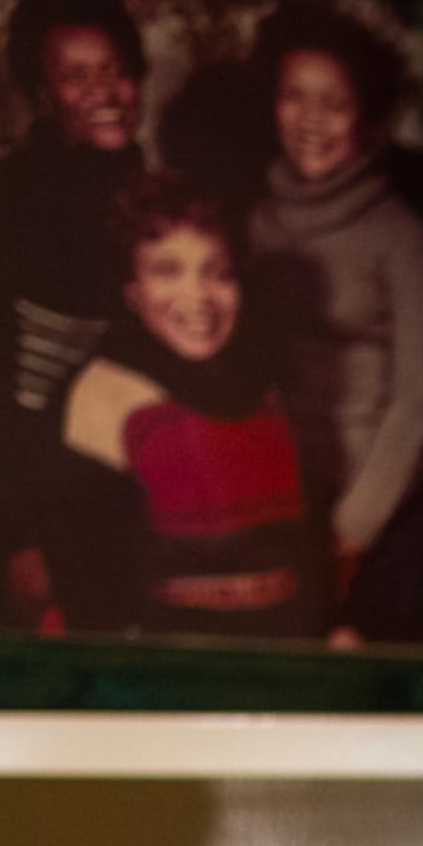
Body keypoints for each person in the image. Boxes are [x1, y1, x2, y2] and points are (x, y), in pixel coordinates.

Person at [243, 0, 423, 645]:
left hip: (385, 511)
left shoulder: (402, 237)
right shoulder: (255, 222)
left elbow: (420, 407)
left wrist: (351, 530)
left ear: (364, 117)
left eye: (333, 103)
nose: (311, 120)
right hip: (286, 506)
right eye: (294, 97)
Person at [0, 0, 151, 630]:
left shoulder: (160, 202)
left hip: (136, 498)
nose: (105, 94)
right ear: (40, 93)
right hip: (32, 508)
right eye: (75, 77)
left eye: (116, 72)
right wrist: (16, 542)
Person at [45, 174, 329, 638]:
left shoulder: (265, 392)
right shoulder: (103, 395)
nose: (198, 297)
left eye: (219, 274)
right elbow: (94, 598)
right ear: (132, 292)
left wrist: (332, 629)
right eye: (167, 271)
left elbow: (301, 545)